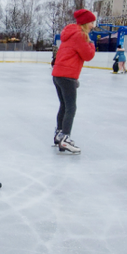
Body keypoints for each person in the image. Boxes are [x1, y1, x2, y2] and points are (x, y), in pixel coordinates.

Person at [52, 9, 96, 154]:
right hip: (67, 75)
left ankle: (59, 134)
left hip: (58, 75)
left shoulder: (69, 34)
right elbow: (88, 55)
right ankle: (65, 138)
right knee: (71, 107)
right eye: (91, 22)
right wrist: (91, 43)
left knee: (64, 105)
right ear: (85, 23)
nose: (93, 26)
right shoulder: (80, 35)